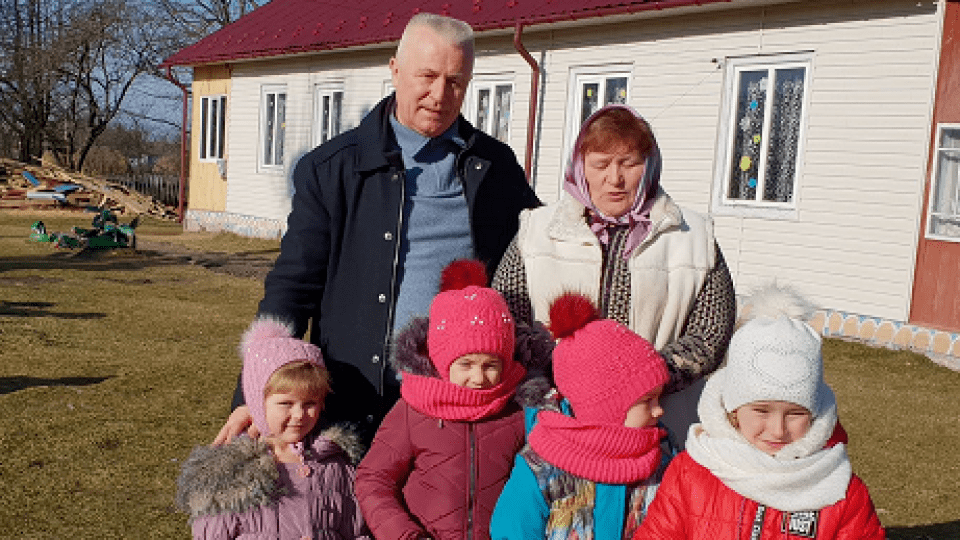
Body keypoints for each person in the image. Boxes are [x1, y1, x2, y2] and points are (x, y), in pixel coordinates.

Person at [214, 12, 540, 445]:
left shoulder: (495, 169)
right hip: (354, 398)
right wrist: (251, 393)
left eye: (456, 81)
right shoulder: (332, 169)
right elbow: (292, 288)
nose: (440, 95)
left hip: (460, 402)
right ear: (395, 69)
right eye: (427, 75)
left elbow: (543, 255)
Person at [492, 104, 735, 445]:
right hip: (559, 415)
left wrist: (642, 382)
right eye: (601, 164)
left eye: (629, 163)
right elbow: (506, 316)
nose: (615, 179)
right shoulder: (537, 231)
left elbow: (709, 334)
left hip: (659, 424)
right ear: (581, 167)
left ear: (649, 165)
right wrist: (570, 374)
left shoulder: (693, 237)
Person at [632, 285, 885, 539]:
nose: (778, 430)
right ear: (733, 407)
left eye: (795, 413)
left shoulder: (837, 489)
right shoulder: (691, 474)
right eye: (762, 411)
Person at [354, 259, 553, 540]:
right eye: (466, 364)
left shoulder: (518, 412)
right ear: (442, 362)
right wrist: (403, 534)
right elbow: (373, 479)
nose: (478, 378)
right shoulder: (414, 409)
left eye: (491, 365)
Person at [490, 292, 673, 540]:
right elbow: (512, 531)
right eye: (646, 401)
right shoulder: (543, 466)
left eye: (658, 398)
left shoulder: (661, 456)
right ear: (606, 409)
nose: (659, 410)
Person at [176, 319, 370, 540]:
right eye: (286, 403)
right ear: (259, 403)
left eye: (310, 404)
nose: (299, 414)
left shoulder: (335, 463)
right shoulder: (232, 471)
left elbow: (356, 531)